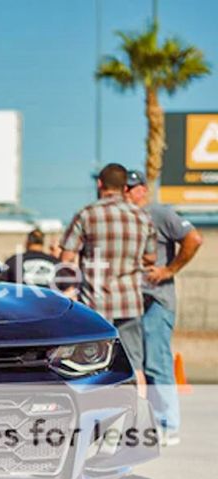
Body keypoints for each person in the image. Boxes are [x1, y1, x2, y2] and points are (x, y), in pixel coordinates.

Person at [60, 163, 157, 389]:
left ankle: (96, 419)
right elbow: (151, 257)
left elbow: (66, 258)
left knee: (91, 367)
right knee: (135, 366)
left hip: (95, 303)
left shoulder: (87, 214)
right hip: (130, 302)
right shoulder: (142, 217)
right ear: (125, 188)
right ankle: (138, 419)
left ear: (100, 184)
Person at [126, 170, 203, 445]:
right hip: (134, 300)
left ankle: (168, 424)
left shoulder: (158, 213)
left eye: (132, 188)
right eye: (124, 188)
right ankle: (149, 423)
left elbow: (194, 239)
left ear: (143, 190)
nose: (127, 193)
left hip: (157, 300)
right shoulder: (126, 218)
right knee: (140, 365)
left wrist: (170, 270)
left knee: (157, 363)